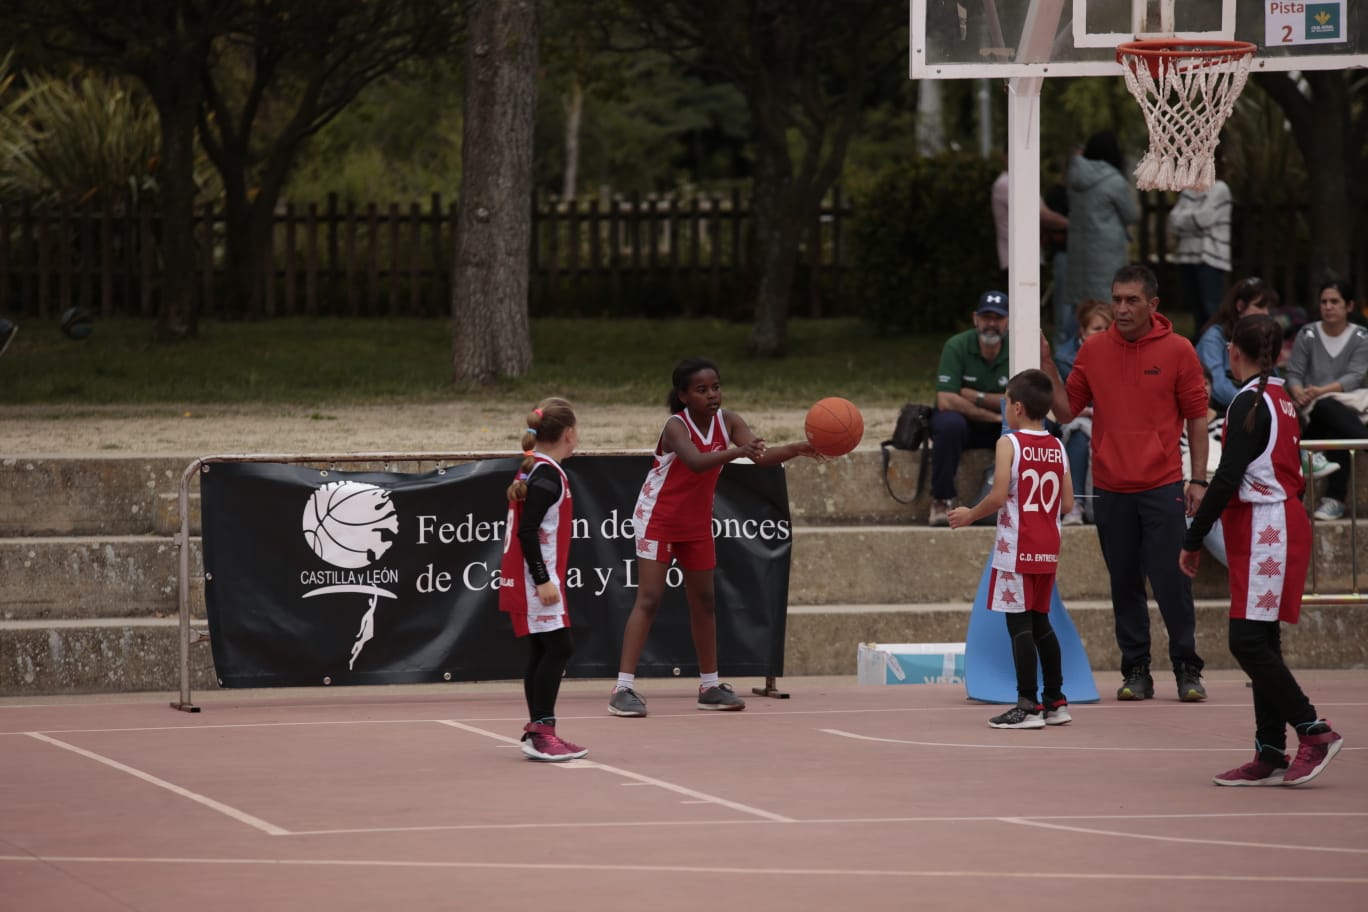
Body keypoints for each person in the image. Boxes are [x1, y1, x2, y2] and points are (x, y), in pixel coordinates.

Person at [1180, 315, 1345, 787]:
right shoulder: (1281, 399)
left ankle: (1312, 730)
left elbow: (1228, 475)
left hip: (1266, 525)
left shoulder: (1248, 402)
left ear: (1234, 351)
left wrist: (1193, 538)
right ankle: (1270, 748)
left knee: (1246, 640)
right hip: (1274, 520)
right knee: (1262, 637)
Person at [608, 357, 818, 717]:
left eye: (716, 387)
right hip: (657, 518)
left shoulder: (730, 421)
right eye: (702, 390)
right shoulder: (676, 426)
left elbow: (762, 456)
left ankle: (709, 686)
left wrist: (798, 448)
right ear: (684, 395)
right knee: (650, 598)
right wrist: (740, 452)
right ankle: (622, 689)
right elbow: (695, 461)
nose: (712, 395)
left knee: (705, 601)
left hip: (696, 522)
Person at [1062, 263, 1210, 702]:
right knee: (1124, 583)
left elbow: (1198, 419)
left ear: (1153, 304)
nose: (1122, 308)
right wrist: (1049, 364)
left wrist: (1198, 479)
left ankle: (1187, 668)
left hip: (1162, 485)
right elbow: (1067, 411)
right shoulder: (1092, 351)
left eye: (1131, 300)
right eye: (1117, 299)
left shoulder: (1180, 349)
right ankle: (1136, 671)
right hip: (1110, 487)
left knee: (1171, 582)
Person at [948, 369, 1074, 730]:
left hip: (1017, 544)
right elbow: (1066, 504)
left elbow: (1000, 494)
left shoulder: (1010, 443)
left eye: (1005, 401)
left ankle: (1027, 705)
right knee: (1041, 624)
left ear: (1017, 407)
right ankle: (1056, 700)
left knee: (1019, 625)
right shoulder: (1057, 444)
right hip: (1048, 544)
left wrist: (970, 514)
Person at [499, 397, 589, 762]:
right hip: (536, 580)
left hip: (536, 578)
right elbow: (527, 531)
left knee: (544, 648)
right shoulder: (547, 475)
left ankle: (540, 728)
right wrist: (541, 580)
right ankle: (541, 731)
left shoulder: (540, 469)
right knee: (558, 648)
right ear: (569, 434)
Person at [1285, 279, 1368, 521]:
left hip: (1347, 408)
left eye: (1335, 301)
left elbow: (1353, 377)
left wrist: (1319, 390)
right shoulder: (1308, 333)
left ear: (1349, 305)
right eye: (1324, 302)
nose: (1328, 306)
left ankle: (1335, 500)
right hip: (1312, 413)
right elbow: (1294, 374)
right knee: (1325, 408)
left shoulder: (1361, 336)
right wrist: (1300, 392)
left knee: (1335, 421)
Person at [928, 291, 1012, 526]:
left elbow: (1026, 399)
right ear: (975, 318)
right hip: (970, 426)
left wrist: (975, 396)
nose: (992, 324)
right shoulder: (957, 345)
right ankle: (941, 499)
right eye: (986, 317)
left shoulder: (1018, 348)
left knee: (1048, 428)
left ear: (1008, 322)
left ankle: (1045, 501)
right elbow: (946, 399)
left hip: (1002, 426)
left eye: (998, 318)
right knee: (948, 424)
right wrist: (996, 411)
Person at [1064, 132, 1138, 324]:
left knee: (1080, 306)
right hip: (1107, 254)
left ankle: (1075, 347)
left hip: (1078, 252)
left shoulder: (1074, 177)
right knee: (1107, 305)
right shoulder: (1114, 180)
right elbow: (1132, 215)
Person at [1053, 298, 1113, 525]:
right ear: (1083, 331)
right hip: (1078, 417)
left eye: (1108, 329)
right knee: (1079, 434)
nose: (1104, 334)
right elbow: (1065, 402)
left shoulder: (1121, 351)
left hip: (1111, 418)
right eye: (1097, 329)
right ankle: (1075, 504)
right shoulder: (1065, 358)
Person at [1167, 158, 1233, 336]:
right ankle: (1199, 354)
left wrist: (1185, 220)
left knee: (1212, 311)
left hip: (1210, 258)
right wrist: (1192, 220)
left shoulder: (1220, 189)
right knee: (1196, 312)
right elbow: (1172, 221)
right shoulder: (1188, 191)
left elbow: (1204, 219)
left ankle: (1215, 350)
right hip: (1187, 258)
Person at [992, 158, 1070, 292]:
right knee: (1022, 310)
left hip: (1029, 261)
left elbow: (1042, 212)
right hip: (1017, 262)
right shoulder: (1006, 183)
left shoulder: (1023, 183)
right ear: (1006, 156)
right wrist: (1074, 225)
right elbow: (1041, 215)